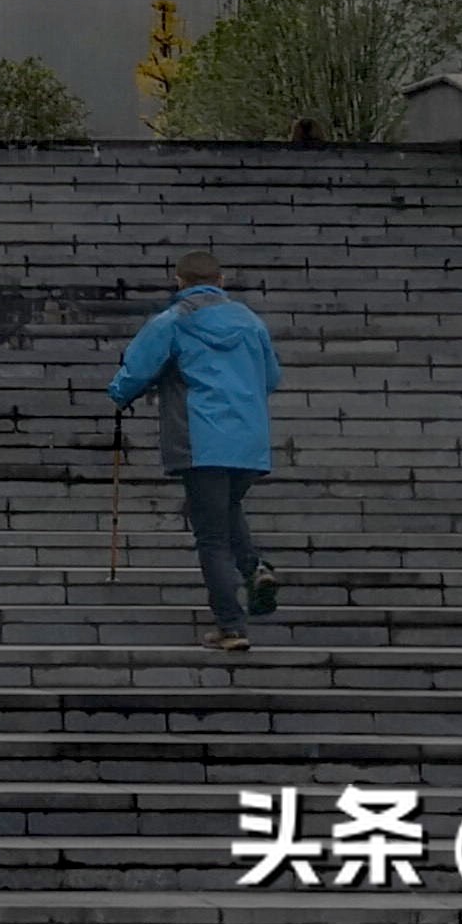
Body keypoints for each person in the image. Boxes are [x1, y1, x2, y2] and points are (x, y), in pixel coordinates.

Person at [104, 249, 285, 653]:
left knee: (211, 535)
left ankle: (231, 626)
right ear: (220, 281)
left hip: (200, 439)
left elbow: (136, 369)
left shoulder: (172, 321)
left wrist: (119, 395)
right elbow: (272, 376)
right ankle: (255, 568)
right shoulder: (251, 322)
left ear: (179, 281)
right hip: (249, 441)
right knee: (225, 508)